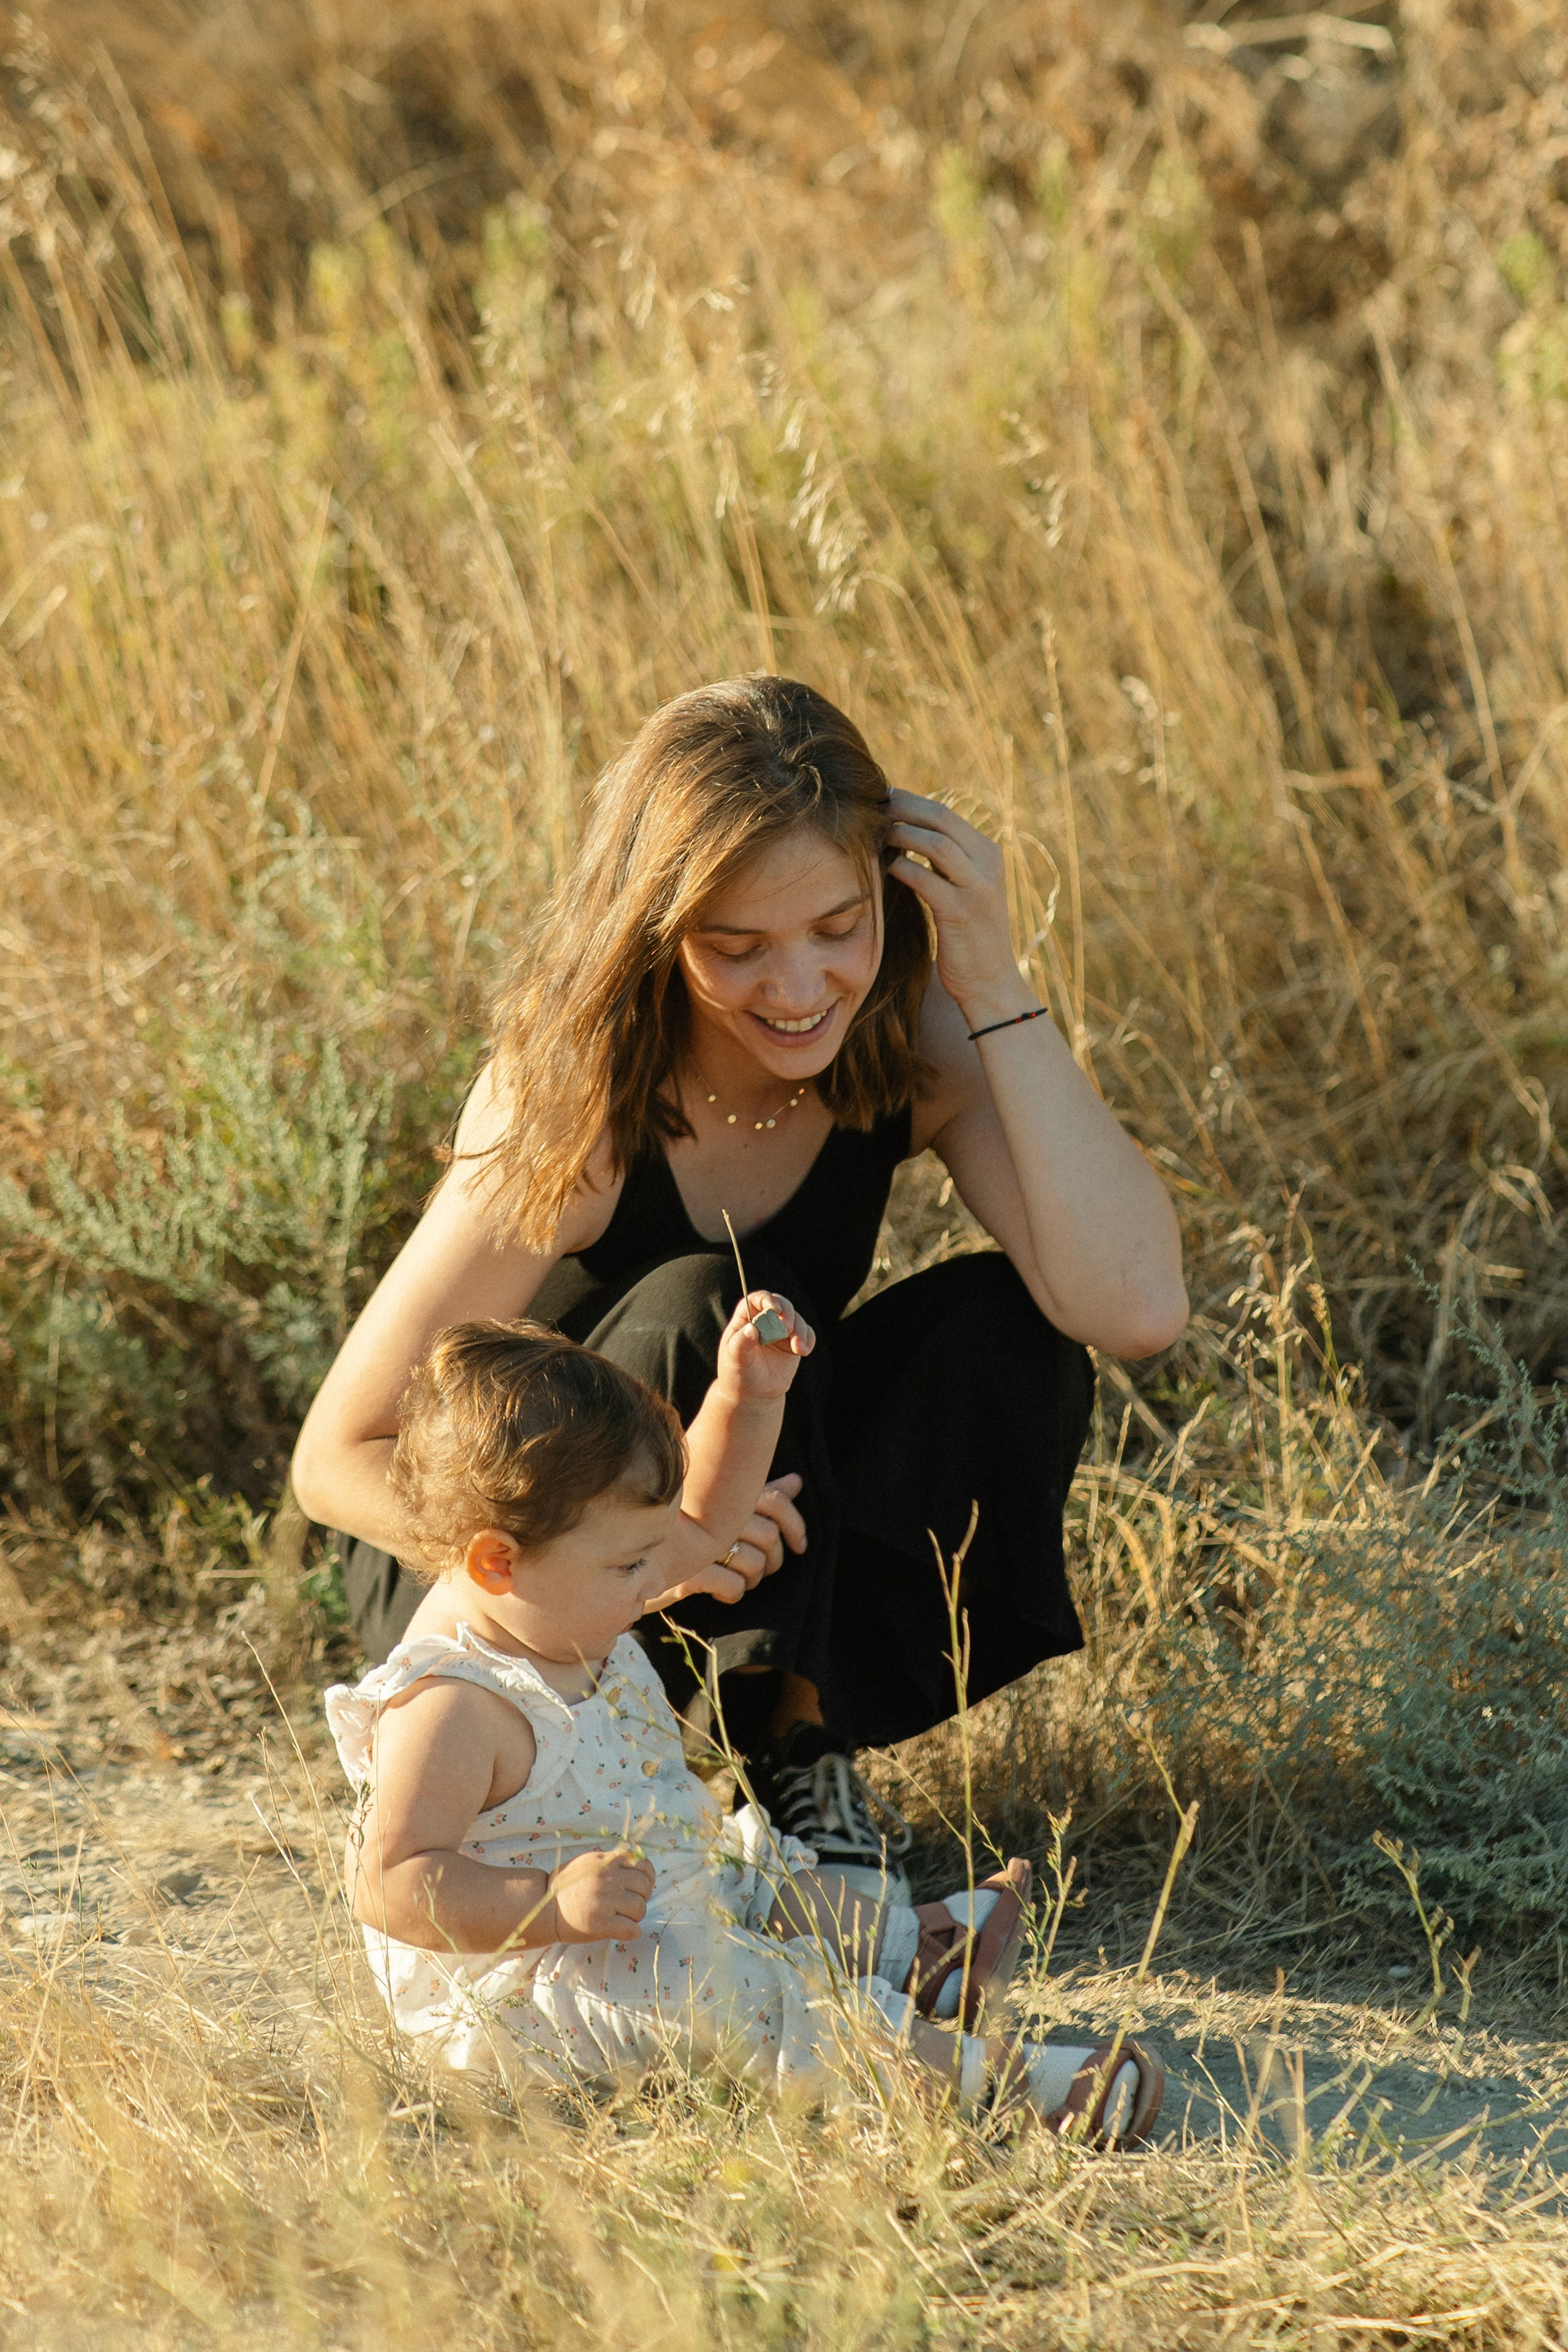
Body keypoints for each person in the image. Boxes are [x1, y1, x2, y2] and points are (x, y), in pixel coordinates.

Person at [293, 674, 1188, 1899]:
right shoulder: (581, 1092)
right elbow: (337, 1456)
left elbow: (1133, 1308)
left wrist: (991, 984)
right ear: (658, 930)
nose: (800, 988)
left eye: (838, 926)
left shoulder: (907, 1034)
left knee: (1001, 1333)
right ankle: (717, 1771)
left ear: (891, 893)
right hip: (500, 1576)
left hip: (726, 1530)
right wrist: (618, 1548)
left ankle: (786, 1758)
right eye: (737, 947)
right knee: (720, 1297)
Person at [325, 1311, 1164, 2139]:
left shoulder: (554, 1598)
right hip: (530, 1991)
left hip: (646, 1906)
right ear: (495, 1562)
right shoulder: (454, 1702)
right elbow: (390, 1880)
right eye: (629, 1566)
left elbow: (701, 1526)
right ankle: (991, 2087)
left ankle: (922, 1956)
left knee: (756, 1876)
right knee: (736, 1986)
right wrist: (547, 1903)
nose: (658, 1582)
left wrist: (747, 1399)